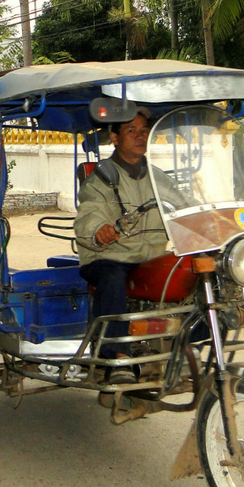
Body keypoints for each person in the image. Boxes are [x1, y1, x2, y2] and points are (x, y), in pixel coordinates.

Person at [74, 109, 173, 385]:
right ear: (115, 138)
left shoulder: (159, 178)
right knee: (112, 275)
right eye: (132, 130)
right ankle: (116, 355)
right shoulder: (101, 179)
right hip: (107, 256)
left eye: (144, 130)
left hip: (150, 255)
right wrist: (99, 230)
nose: (141, 136)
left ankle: (195, 342)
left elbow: (184, 208)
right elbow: (89, 214)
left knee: (200, 268)